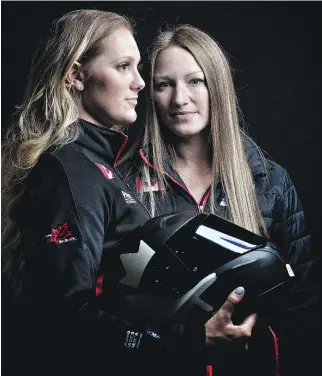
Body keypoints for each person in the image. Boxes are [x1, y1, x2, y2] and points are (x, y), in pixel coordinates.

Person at [1, 10, 260, 376]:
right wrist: (185, 342)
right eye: (123, 66)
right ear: (75, 75)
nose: (140, 83)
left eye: (139, 68)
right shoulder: (67, 172)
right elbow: (64, 317)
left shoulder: (100, 168)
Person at [121, 24, 320, 376]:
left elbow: (301, 307)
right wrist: (187, 339)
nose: (179, 99)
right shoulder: (125, 182)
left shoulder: (269, 180)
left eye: (195, 81)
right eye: (164, 85)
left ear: (219, 87)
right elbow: (112, 307)